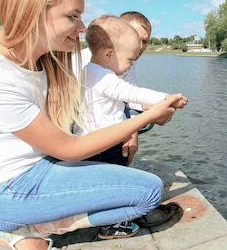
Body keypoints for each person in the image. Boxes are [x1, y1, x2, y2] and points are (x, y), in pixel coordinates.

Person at [0, 0, 185, 250]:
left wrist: (139, 118)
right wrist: (146, 117)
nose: (81, 27)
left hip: (37, 167)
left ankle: (31, 220)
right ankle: (26, 228)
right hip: (3, 190)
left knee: (137, 186)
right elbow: (70, 148)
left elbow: (109, 86)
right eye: (73, 16)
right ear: (33, 12)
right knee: (147, 193)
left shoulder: (43, 55)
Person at [75, 14, 187, 166]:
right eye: (135, 38)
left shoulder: (107, 62)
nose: (140, 47)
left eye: (145, 41)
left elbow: (128, 95)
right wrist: (168, 98)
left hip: (93, 138)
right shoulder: (96, 69)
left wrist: (147, 108)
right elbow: (131, 93)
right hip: (101, 144)